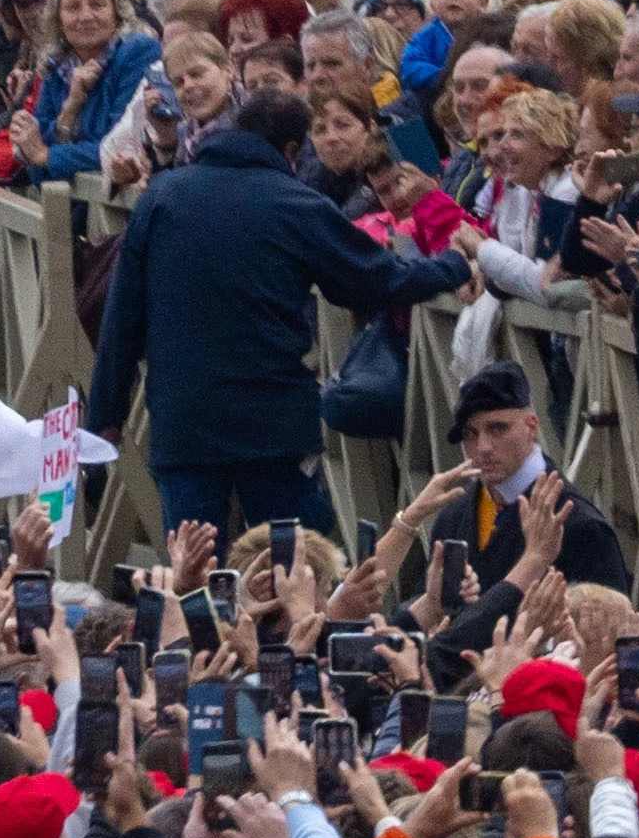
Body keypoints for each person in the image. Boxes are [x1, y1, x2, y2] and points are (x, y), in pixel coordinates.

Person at [83, 84, 473, 540]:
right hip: (270, 418)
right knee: (296, 563)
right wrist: (454, 263)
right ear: (292, 149)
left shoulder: (163, 196)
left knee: (194, 572)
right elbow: (376, 280)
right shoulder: (295, 203)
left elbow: (123, 313)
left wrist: (105, 414)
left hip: (183, 415)